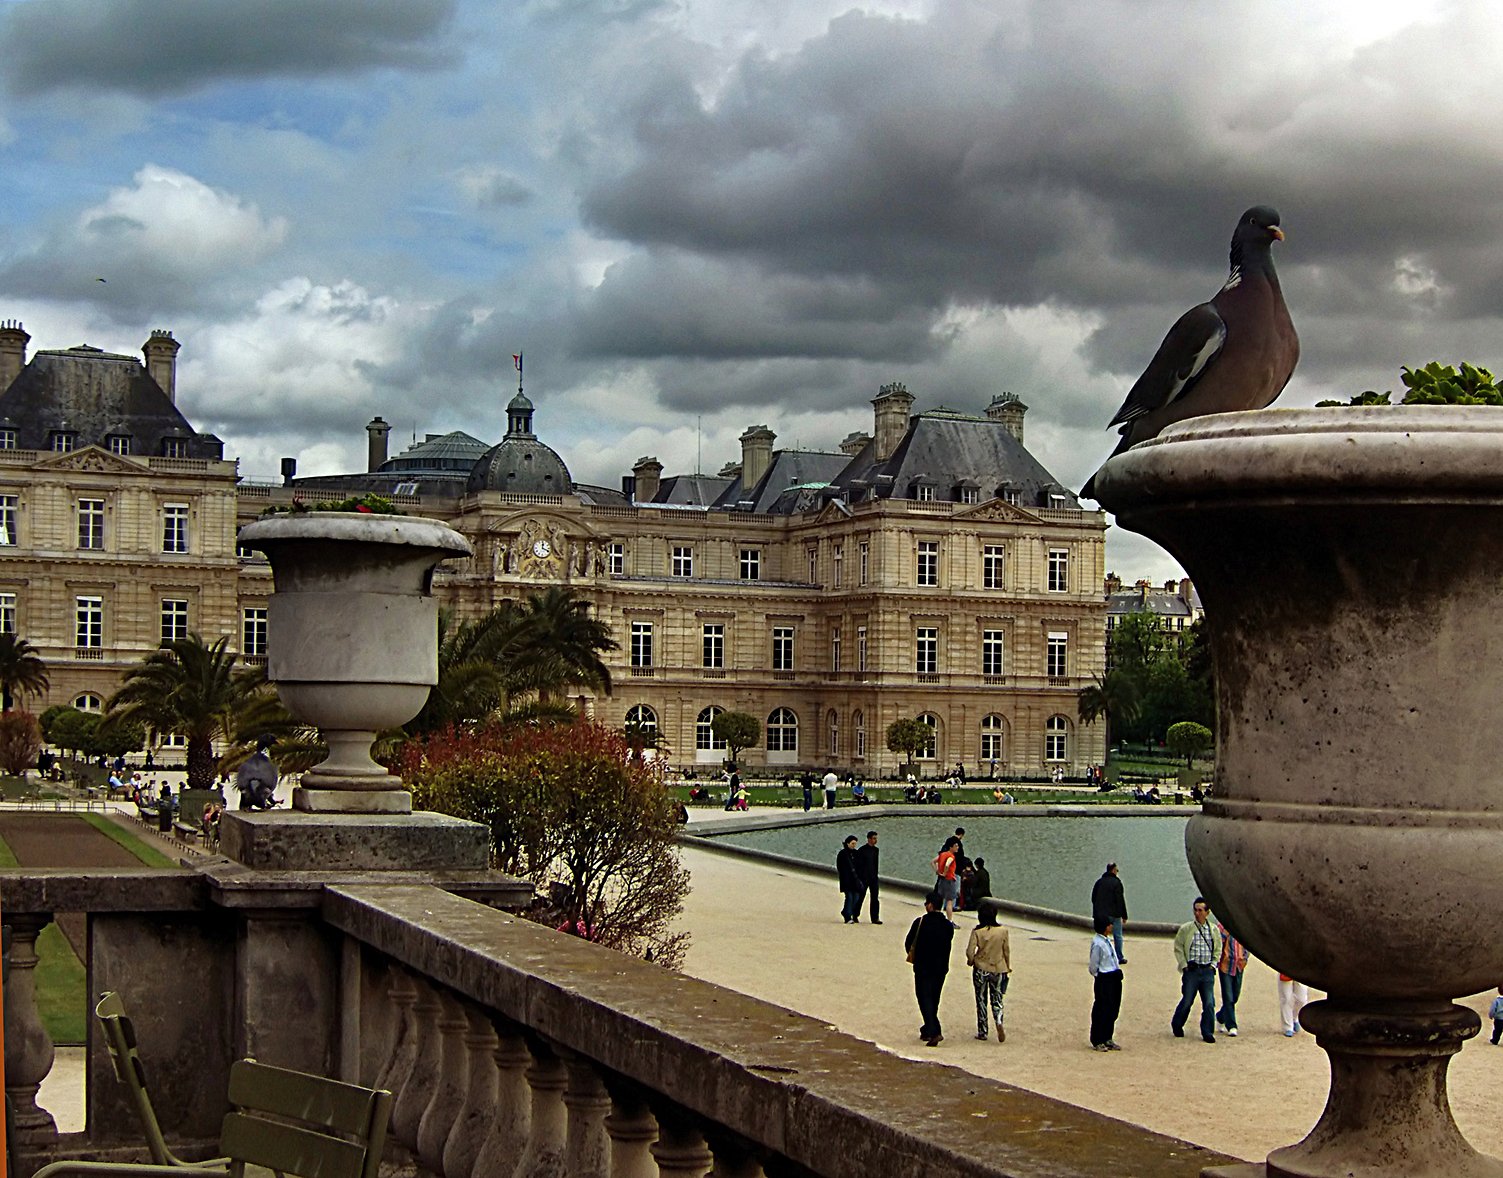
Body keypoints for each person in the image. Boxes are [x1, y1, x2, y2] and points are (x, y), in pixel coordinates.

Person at [905, 892, 954, 1046]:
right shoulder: (948, 926)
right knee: (934, 998)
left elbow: (909, 943)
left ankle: (934, 1030)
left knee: (923, 997)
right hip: (941, 967)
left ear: (930, 905)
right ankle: (927, 1028)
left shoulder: (920, 922)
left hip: (923, 966)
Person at [1172, 897, 1224, 1043]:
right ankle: (1177, 1024)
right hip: (1192, 971)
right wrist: (1184, 965)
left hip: (1207, 970)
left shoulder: (1213, 930)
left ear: (1207, 912)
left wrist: (1213, 965)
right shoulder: (1186, 929)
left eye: (1200, 910)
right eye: (1195, 910)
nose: (1197, 913)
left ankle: (1207, 1031)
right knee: (1187, 1000)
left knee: (1209, 1002)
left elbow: (1218, 949)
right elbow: (1178, 947)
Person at [966, 905, 1011, 1042]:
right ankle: (998, 1020)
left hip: (981, 967)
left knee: (981, 999)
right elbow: (1006, 950)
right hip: (998, 967)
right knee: (997, 998)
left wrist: (971, 960)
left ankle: (983, 1031)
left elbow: (970, 951)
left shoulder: (977, 932)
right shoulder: (1003, 931)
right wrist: (1007, 966)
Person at [1088, 917, 1123, 1051]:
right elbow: (1093, 965)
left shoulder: (1107, 940)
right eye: (1109, 924)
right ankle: (1097, 1039)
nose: (1112, 926)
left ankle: (1108, 1037)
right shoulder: (1098, 943)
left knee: (1113, 1008)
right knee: (1101, 1008)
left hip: (1113, 976)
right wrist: (1101, 977)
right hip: (1104, 977)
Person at [1215, 919, 1249, 1037]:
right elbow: (1218, 943)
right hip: (1226, 965)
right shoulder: (1222, 926)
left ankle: (1220, 1017)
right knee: (1228, 997)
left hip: (1239, 965)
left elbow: (1248, 943)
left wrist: (1245, 958)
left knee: (1235, 996)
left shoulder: (1244, 925)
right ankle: (1232, 1025)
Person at [1091, 863, 1129, 963]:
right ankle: (1119, 957)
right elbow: (1120, 900)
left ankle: (1100, 956)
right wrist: (1124, 915)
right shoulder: (1117, 883)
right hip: (1114, 914)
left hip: (1101, 915)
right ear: (1113, 870)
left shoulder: (1099, 882)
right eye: (1117, 870)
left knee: (1101, 936)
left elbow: (1093, 898)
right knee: (1118, 936)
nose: (1117, 872)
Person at [854, 831, 882, 924]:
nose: (875, 840)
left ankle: (875, 918)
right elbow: (858, 865)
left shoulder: (876, 850)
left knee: (875, 898)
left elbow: (875, 864)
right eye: (874, 838)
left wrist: (875, 875)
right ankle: (855, 915)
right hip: (864, 878)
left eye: (876, 838)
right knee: (860, 897)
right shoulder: (862, 850)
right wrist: (859, 878)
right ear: (869, 839)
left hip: (873, 878)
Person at [836, 835, 864, 923]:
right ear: (847, 843)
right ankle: (847, 916)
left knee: (856, 898)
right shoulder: (842, 854)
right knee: (849, 898)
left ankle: (847, 912)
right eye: (852, 843)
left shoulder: (856, 853)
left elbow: (860, 866)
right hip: (847, 880)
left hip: (855, 880)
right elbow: (840, 867)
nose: (854, 845)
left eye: (855, 844)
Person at [933, 837, 961, 917]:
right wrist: (945, 873)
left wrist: (937, 871)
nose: (957, 847)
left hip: (942, 880)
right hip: (949, 880)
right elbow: (947, 864)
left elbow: (933, 862)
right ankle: (950, 920)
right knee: (949, 901)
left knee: (940, 900)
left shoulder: (942, 854)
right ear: (951, 847)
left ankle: (936, 917)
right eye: (956, 846)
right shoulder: (951, 856)